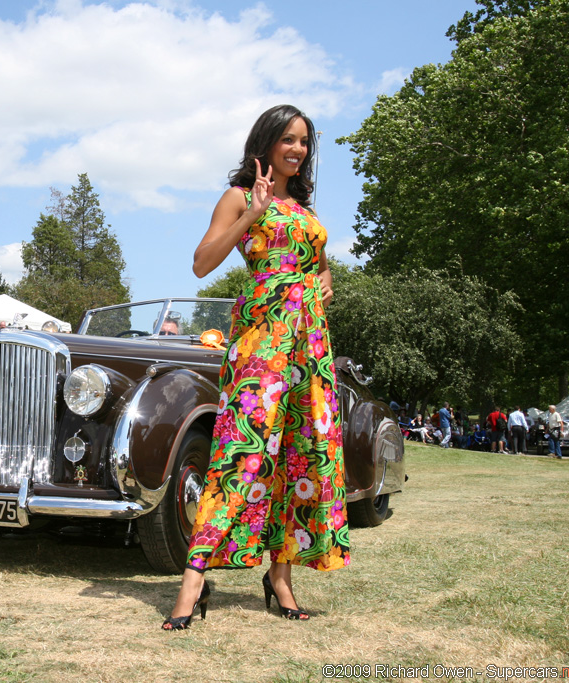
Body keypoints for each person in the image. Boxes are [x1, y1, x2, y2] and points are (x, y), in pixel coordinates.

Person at [163, 105, 347, 630]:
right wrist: (251, 214)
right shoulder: (241, 197)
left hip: (309, 346)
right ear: (265, 144)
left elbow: (315, 260)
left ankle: (281, 579)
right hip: (262, 342)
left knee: (299, 457)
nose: (297, 150)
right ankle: (193, 584)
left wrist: (327, 279)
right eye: (288, 140)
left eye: (305, 142)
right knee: (239, 453)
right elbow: (202, 262)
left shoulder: (305, 208)